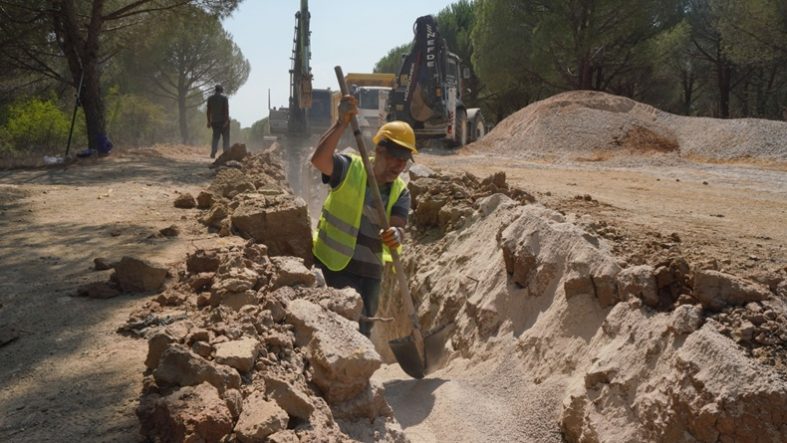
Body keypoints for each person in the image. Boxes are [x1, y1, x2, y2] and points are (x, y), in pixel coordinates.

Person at [311, 95, 415, 337]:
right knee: (330, 330)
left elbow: (399, 227)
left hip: (370, 273)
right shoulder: (350, 167)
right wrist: (341, 124)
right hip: (332, 267)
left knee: (362, 332)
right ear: (380, 150)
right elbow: (319, 160)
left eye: (404, 161)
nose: (399, 166)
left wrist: (396, 234)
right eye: (395, 158)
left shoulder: (401, 192)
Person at [206, 84, 230, 158]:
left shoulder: (210, 98)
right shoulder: (224, 98)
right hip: (223, 121)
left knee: (215, 137)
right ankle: (226, 153)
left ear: (215, 90)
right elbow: (226, 110)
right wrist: (226, 121)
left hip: (215, 121)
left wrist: (209, 121)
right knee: (226, 138)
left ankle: (213, 151)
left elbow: (208, 111)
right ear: (221, 91)